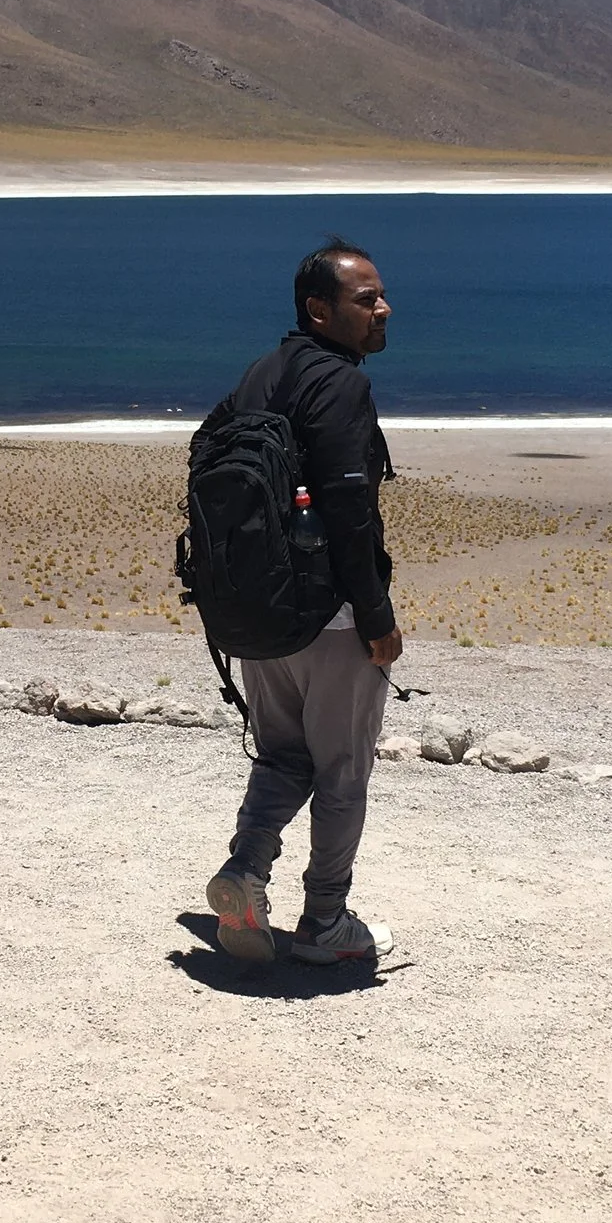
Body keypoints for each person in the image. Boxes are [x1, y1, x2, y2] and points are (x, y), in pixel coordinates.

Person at [205, 239, 401, 965]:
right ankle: (325, 922)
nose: (384, 309)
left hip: (262, 614)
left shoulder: (262, 373)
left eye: (381, 294)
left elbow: (207, 452)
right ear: (320, 310)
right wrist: (377, 617)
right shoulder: (341, 386)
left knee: (284, 755)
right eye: (366, 299)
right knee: (343, 770)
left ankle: (245, 872)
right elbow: (351, 510)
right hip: (333, 618)